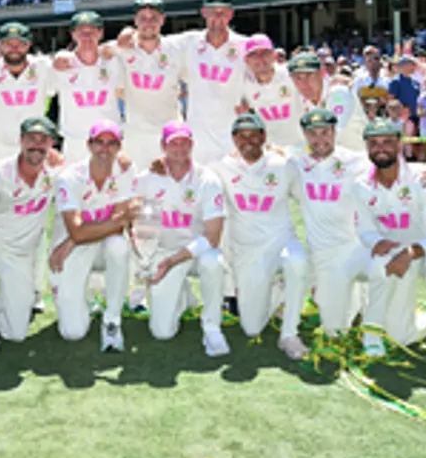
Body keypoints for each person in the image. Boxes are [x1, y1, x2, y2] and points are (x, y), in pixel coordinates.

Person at [351, 119, 426, 379]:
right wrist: (375, 242)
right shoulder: (360, 186)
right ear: (367, 147)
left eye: (388, 142)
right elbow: (364, 229)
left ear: (400, 144)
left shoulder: (422, 177)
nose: (381, 148)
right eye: (374, 143)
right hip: (397, 255)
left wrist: (411, 252)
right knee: (401, 335)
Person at [0, 116, 63, 358]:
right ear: (21, 140)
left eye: (43, 140)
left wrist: (121, 161)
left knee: (17, 333)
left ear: (51, 144)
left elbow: (87, 174)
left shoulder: (56, 174)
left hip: (18, 255)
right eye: (31, 139)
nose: (36, 146)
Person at [213, 113, 309, 359]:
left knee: (296, 259)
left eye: (254, 135)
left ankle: (289, 333)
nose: (248, 141)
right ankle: (277, 291)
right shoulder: (221, 167)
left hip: (280, 242)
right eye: (242, 136)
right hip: (247, 252)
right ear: (234, 139)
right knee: (252, 328)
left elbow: (308, 197)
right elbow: (194, 179)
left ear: (264, 137)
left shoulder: (283, 165)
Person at [134, 120, 229, 356]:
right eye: (173, 143)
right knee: (162, 333)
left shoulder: (207, 179)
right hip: (164, 253)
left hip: (196, 251)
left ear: (192, 145)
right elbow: (142, 226)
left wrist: (175, 260)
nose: (179, 148)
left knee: (213, 261)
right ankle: (184, 295)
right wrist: (148, 261)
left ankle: (212, 327)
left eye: (184, 143)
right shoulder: (147, 179)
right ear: (163, 146)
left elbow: (213, 236)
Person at [285, 108, 377, 338]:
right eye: (313, 134)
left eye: (325, 132)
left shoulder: (356, 161)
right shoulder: (295, 162)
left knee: (386, 326)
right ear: (304, 135)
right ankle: (351, 299)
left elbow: (392, 168)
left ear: (335, 132)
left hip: (359, 249)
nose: (319, 140)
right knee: (335, 332)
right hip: (326, 257)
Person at [48, 119, 134, 351]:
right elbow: (80, 228)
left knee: (119, 245)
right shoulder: (70, 177)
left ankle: (112, 320)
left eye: (111, 143)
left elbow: (118, 227)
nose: (104, 149)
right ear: (88, 145)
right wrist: (74, 238)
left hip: (92, 243)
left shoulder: (124, 172)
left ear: (119, 147)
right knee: (72, 333)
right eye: (99, 143)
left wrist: (76, 236)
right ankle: (82, 297)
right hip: (71, 250)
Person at [178, 0, 249, 165]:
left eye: (223, 12)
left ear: (231, 14)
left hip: (231, 137)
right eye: (212, 12)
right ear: (204, 13)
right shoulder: (189, 42)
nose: (217, 17)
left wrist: (251, 106)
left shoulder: (244, 46)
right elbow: (155, 43)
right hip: (198, 138)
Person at [115, 0, 187, 169]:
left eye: (154, 18)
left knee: (171, 188)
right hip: (136, 136)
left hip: (169, 134)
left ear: (163, 20)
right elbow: (98, 52)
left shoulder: (176, 49)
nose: (149, 23)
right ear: (135, 21)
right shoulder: (123, 50)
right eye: (143, 19)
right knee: (137, 190)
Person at [0, 22, 57, 163]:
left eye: (20, 44)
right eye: (9, 43)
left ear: (28, 45)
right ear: (0, 45)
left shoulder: (43, 66)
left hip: (36, 148)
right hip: (0, 151)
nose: (14, 49)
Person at [54, 12, 124, 165]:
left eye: (92, 31)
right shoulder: (61, 65)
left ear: (101, 33)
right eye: (81, 32)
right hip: (75, 143)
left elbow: (133, 41)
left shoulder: (113, 62)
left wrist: (116, 47)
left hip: (108, 142)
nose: (87, 36)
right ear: (73, 34)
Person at [288, 52, 366, 151]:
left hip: (357, 159)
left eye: (309, 76)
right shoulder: (301, 101)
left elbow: (330, 137)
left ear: (322, 73)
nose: (304, 83)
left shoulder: (338, 93)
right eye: (298, 78)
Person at [241, 34, 304, 149]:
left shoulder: (291, 75)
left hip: (300, 146)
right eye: (254, 54)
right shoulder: (243, 84)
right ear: (246, 60)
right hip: (271, 150)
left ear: (274, 56)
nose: (260, 59)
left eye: (265, 53)